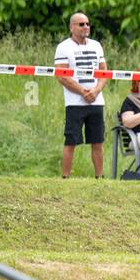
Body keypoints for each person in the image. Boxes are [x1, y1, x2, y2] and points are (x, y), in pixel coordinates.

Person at [55, 12, 108, 178]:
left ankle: (100, 177)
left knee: (97, 141)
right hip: (75, 102)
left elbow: (104, 72)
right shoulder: (63, 47)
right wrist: (82, 91)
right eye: (81, 24)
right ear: (72, 27)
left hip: (96, 101)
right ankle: (65, 177)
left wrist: (96, 90)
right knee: (71, 141)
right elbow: (61, 75)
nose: (86, 27)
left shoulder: (96, 45)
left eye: (87, 24)